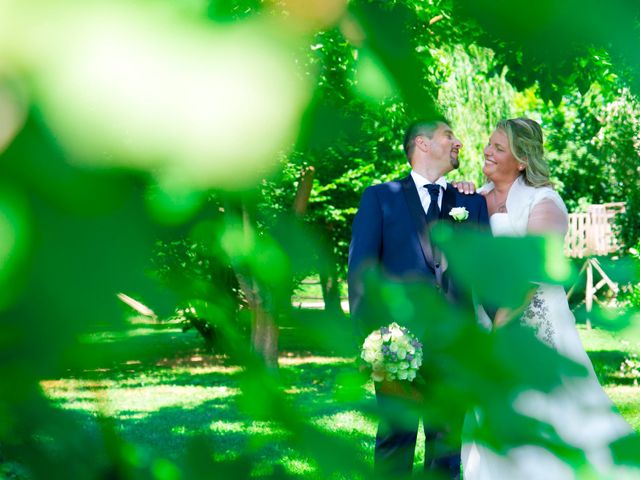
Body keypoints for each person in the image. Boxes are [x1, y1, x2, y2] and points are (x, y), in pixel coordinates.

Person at [462, 117, 637, 479]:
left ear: (522, 160)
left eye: (498, 147)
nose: (487, 151)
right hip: (484, 322)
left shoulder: (545, 202)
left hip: (533, 328)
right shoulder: (473, 200)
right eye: (488, 144)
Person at [348, 119, 489, 479]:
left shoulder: (470, 204)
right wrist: (369, 342)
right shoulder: (380, 198)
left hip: (454, 346)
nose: (458, 142)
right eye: (448, 136)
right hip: (396, 346)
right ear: (422, 144)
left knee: (446, 446)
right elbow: (361, 271)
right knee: (396, 439)